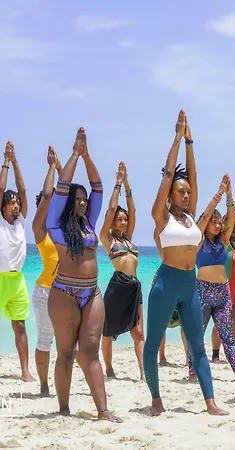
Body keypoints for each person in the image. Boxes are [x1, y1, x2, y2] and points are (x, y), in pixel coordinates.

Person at [143, 109, 227, 417]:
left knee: (197, 346)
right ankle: (156, 398)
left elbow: (194, 175)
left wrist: (191, 142)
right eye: (181, 191)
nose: (187, 194)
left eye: (188, 192)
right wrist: (177, 138)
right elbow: (169, 174)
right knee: (153, 343)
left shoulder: (191, 218)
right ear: (169, 194)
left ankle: (210, 402)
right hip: (166, 283)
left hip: (190, 285)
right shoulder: (161, 216)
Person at [46, 128, 121, 422]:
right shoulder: (56, 224)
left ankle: (103, 410)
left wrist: (87, 156)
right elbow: (62, 185)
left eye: (83, 199)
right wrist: (74, 155)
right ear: (67, 202)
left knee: (90, 351)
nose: (82, 202)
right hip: (64, 293)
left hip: (92, 293)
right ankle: (64, 409)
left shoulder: (89, 221)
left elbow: (98, 188)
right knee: (66, 352)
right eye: (77, 199)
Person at [186, 175, 235, 382]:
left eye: (219, 222)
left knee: (227, 335)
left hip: (223, 293)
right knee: (197, 335)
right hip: (202, 291)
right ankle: (192, 372)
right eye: (214, 221)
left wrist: (230, 195)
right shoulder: (199, 239)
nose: (218, 225)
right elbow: (203, 219)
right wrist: (219, 194)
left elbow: (231, 218)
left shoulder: (223, 241)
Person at [99, 162, 145, 381]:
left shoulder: (128, 238)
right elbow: (110, 211)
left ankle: (144, 373)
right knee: (108, 331)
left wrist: (127, 184)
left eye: (125, 219)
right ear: (112, 222)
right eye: (120, 219)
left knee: (139, 332)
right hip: (117, 287)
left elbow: (133, 210)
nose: (124, 222)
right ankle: (109, 369)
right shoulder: (107, 239)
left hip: (134, 287)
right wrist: (117, 184)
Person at [0, 141, 34, 382]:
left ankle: (25, 371)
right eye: (12, 202)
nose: (17, 204)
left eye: (18, 203)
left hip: (18, 281)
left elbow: (22, 189)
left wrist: (16, 161)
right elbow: (2, 188)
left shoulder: (20, 222)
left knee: (20, 325)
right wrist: (5, 163)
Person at [31, 146, 62, 396]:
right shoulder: (39, 230)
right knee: (45, 339)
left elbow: (66, 191)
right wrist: (52, 167)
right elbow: (50, 194)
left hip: (67, 291)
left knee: (69, 341)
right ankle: (43, 385)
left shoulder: (64, 228)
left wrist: (61, 167)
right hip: (45, 292)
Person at [210, 182, 235, 364]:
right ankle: (215, 355)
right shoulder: (223, 242)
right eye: (234, 223)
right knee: (220, 324)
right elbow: (231, 217)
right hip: (224, 291)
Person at [153, 228, 189, 366]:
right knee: (161, 320)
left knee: (185, 321)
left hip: (182, 281)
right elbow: (156, 236)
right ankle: (162, 357)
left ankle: (188, 358)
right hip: (164, 281)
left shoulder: (187, 249)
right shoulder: (166, 251)